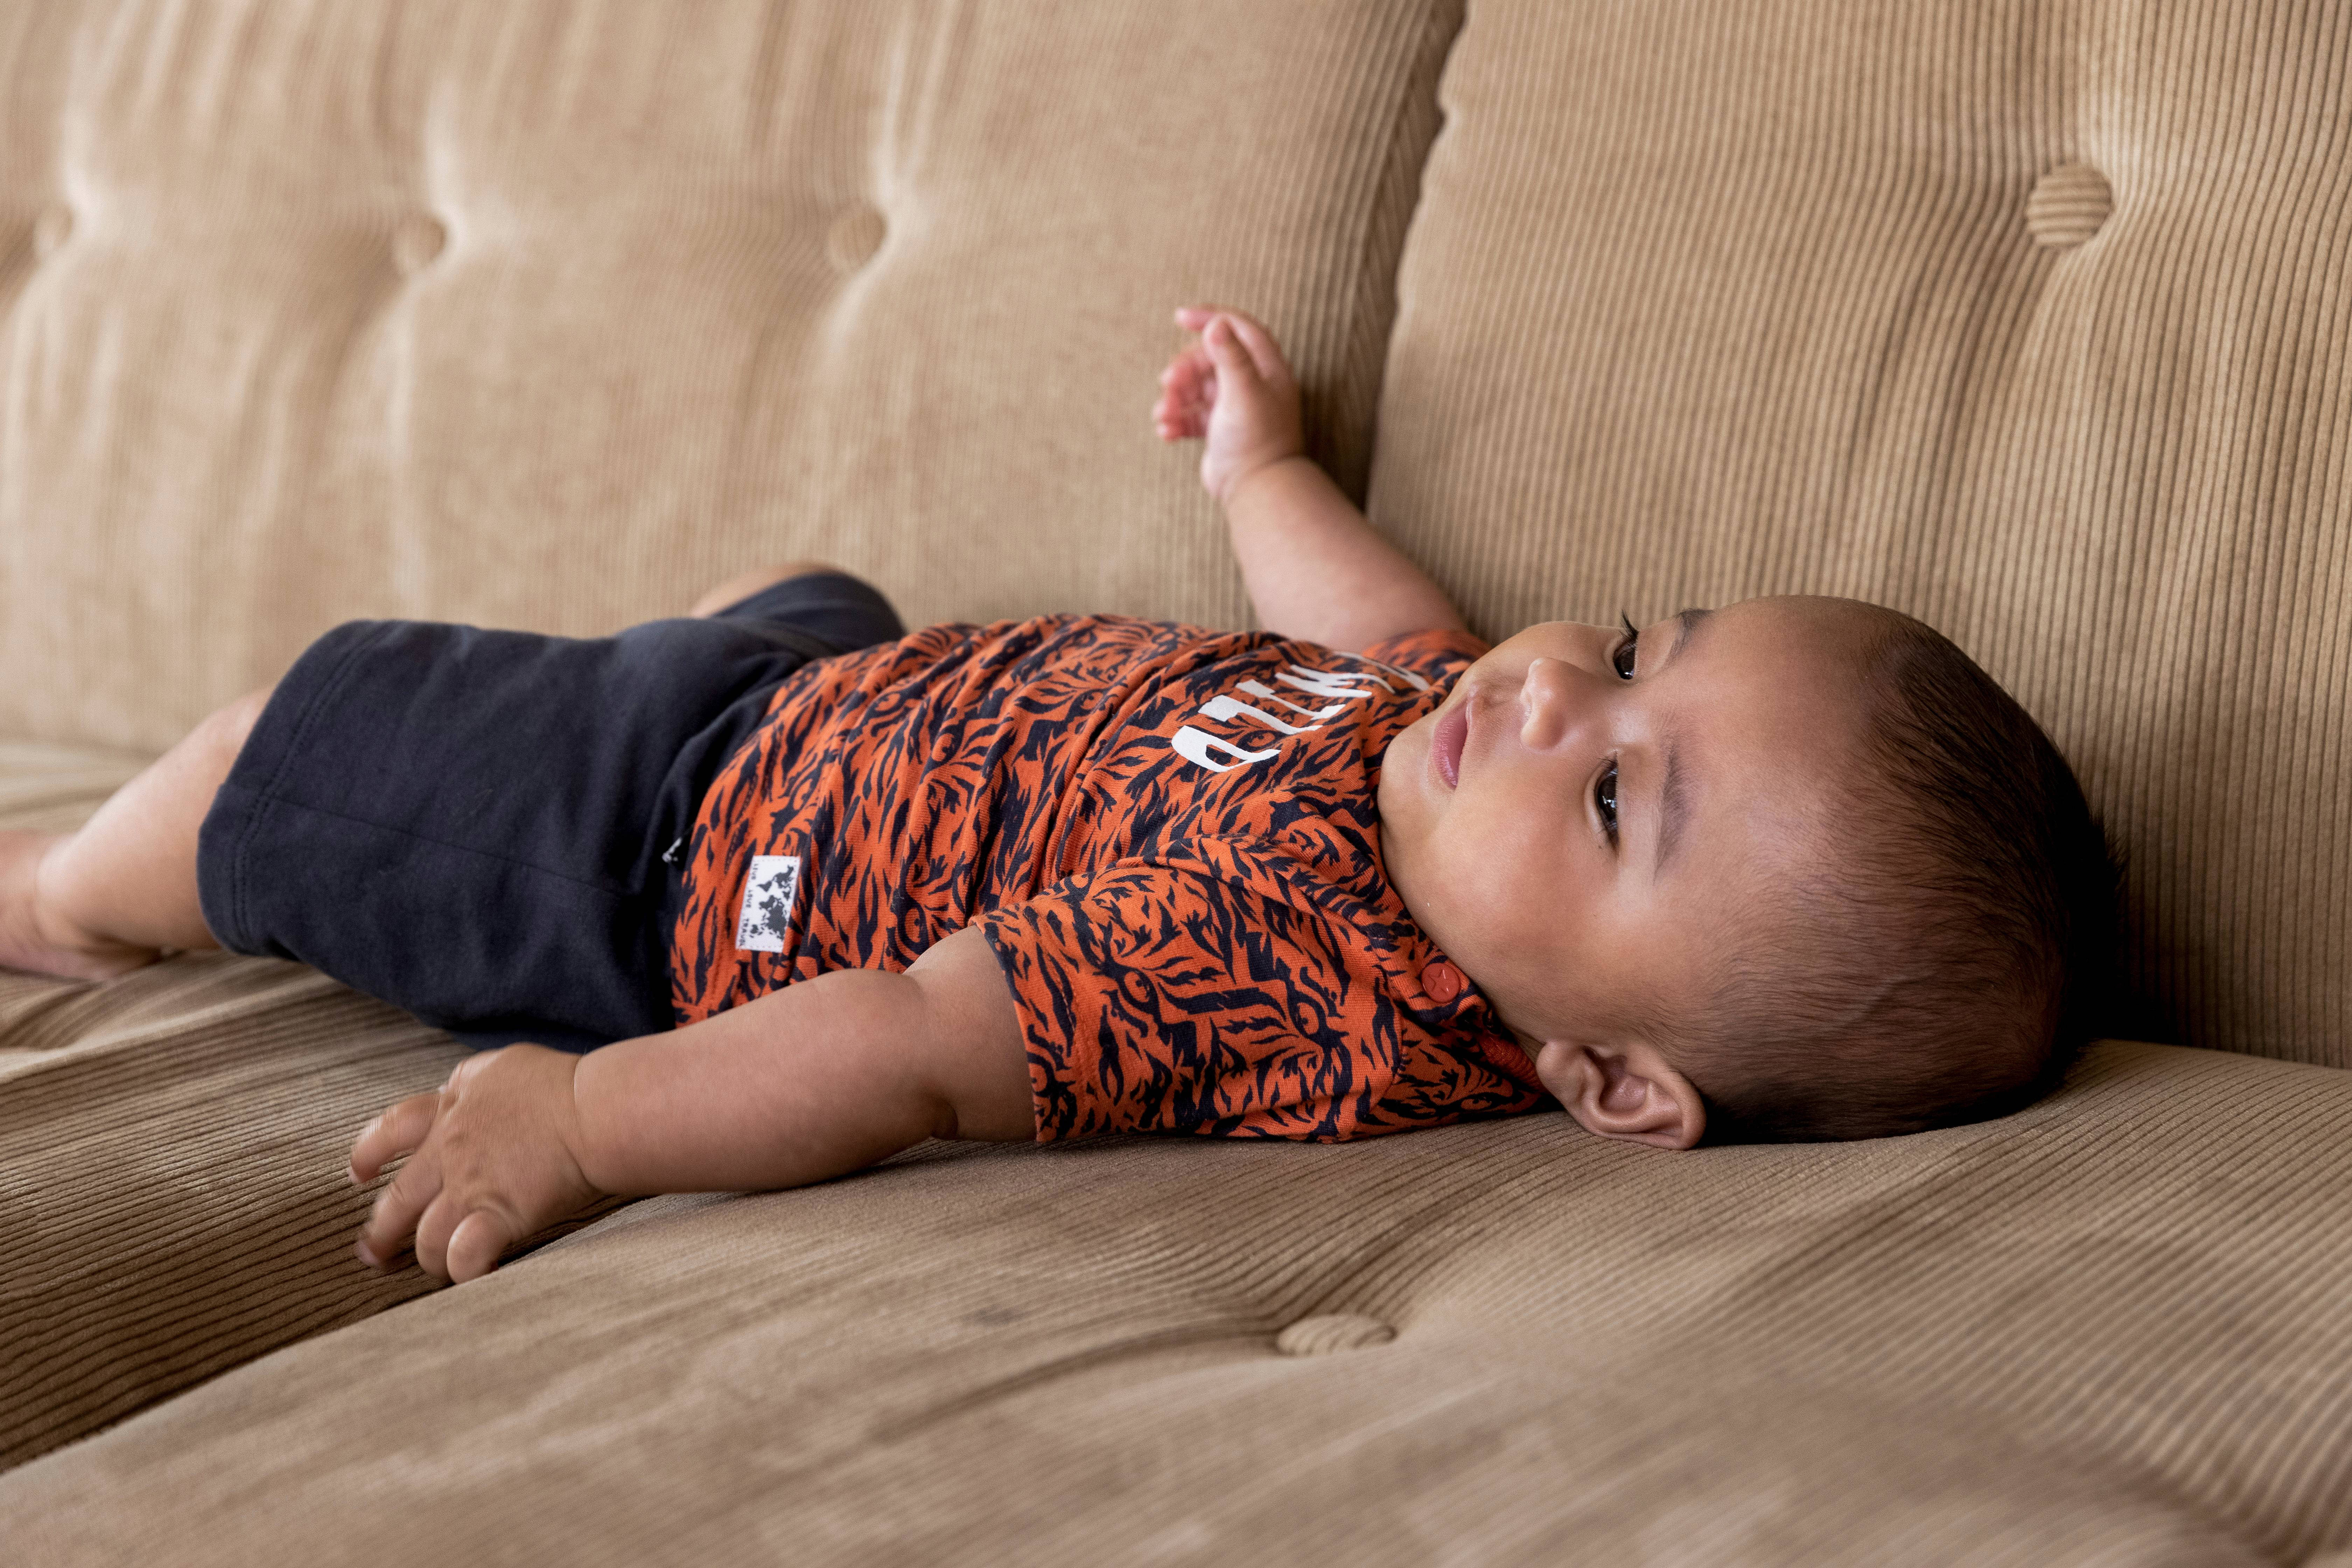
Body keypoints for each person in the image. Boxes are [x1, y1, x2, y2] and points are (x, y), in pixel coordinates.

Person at [0, 305, 2116, 1287]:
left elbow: (915, 1043)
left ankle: (75, 901)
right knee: (804, 596)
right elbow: (1385, 637)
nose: (1558, 696)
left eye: (1618, 808)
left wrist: (585, 1117)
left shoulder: (1291, 967)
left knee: (270, 754)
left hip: (663, 858)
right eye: (1646, 644)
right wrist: (1264, 478)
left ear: (1609, 1082)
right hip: (829, 696)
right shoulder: (1440, 762)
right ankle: (725, 646)